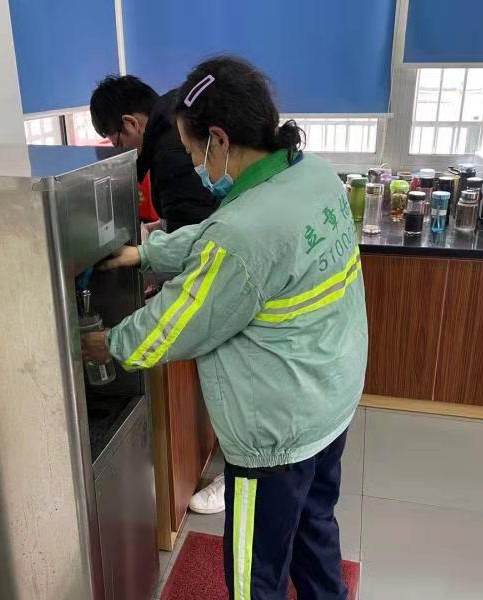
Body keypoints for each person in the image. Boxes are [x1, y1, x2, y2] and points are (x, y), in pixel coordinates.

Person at [82, 56, 367, 599]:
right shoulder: (312, 174)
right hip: (330, 400)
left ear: (219, 139)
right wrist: (148, 252)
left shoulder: (242, 232)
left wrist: (107, 344)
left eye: (193, 150)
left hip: (277, 434)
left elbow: (178, 321)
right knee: (314, 530)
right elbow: (226, 236)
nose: (193, 163)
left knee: (254, 574)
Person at [91, 75, 226, 512]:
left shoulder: (168, 151)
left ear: (131, 123)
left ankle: (239, 475)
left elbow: (204, 247)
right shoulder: (174, 111)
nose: (118, 150)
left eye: (115, 139)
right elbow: (203, 227)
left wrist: (115, 340)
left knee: (232, 381)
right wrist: (151, 245)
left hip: (232, 292)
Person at [89, 75, 217, 234]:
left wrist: (150, 245)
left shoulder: (169, 156)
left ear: (131, 123)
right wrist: (164, 224)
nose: (122, 152)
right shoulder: (173, 114)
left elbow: (191, 235)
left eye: (119, 144)